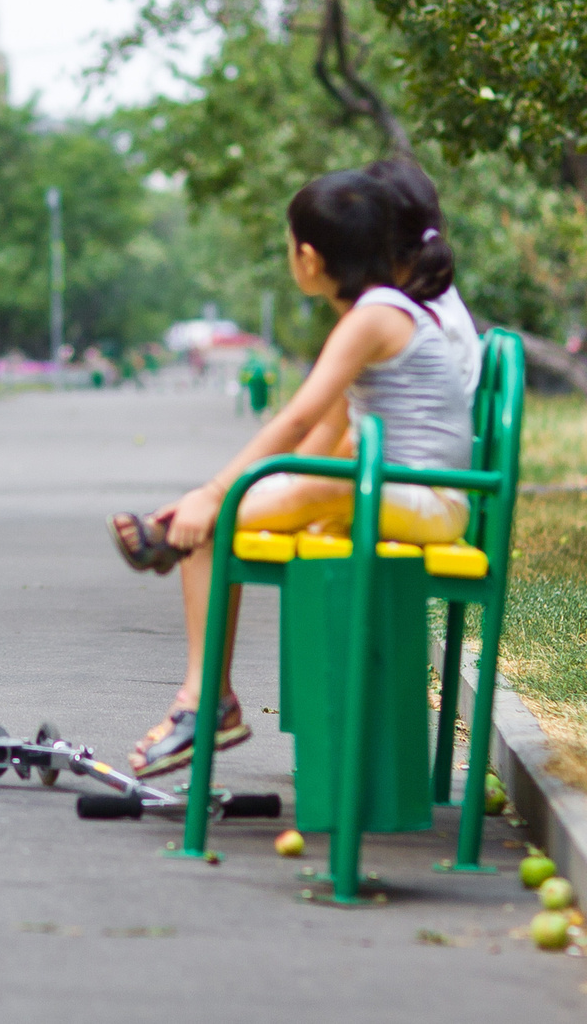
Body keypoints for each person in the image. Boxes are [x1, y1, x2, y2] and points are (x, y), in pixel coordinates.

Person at [104, 163, 477, 777]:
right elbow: (326, 430)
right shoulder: (378, 312)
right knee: (235, 506)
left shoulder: (374, 317)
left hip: (426, 501)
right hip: (402, 493)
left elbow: (299, 419)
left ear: (307, 257)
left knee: (220, 515)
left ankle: (205, 698)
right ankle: (178, 553)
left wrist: (216, 491)